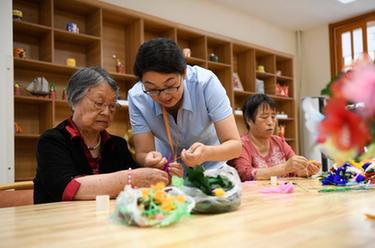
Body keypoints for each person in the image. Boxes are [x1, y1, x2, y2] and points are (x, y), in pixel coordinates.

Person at [34, 67, 169, 204]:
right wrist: (130, 178)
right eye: (99, 103)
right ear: (74, 100)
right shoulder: (52, 141)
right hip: (57, 221)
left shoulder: (117, 145)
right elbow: (66, 188)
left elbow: (137, 187)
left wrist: (157, 170)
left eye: (112, 106)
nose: (106, 112)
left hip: (105, 222)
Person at [128, 38, 241, 173]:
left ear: (184, 73)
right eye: (152, 89)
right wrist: (148, 159)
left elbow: (235, 146)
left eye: (170, 85)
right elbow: (143, 152)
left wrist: (206, 153)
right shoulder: (137, 97)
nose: (163, 96)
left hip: (211, 170)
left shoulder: (206, 83)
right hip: (168, 171)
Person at [228, 94, 320, 181]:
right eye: (264, 117)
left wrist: (306, 170)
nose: (270, 122)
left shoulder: (279, 141)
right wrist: (284, 168)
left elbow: (294, 169)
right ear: (249, 120)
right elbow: (245, 174)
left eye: (273, 117)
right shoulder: (241, 145)